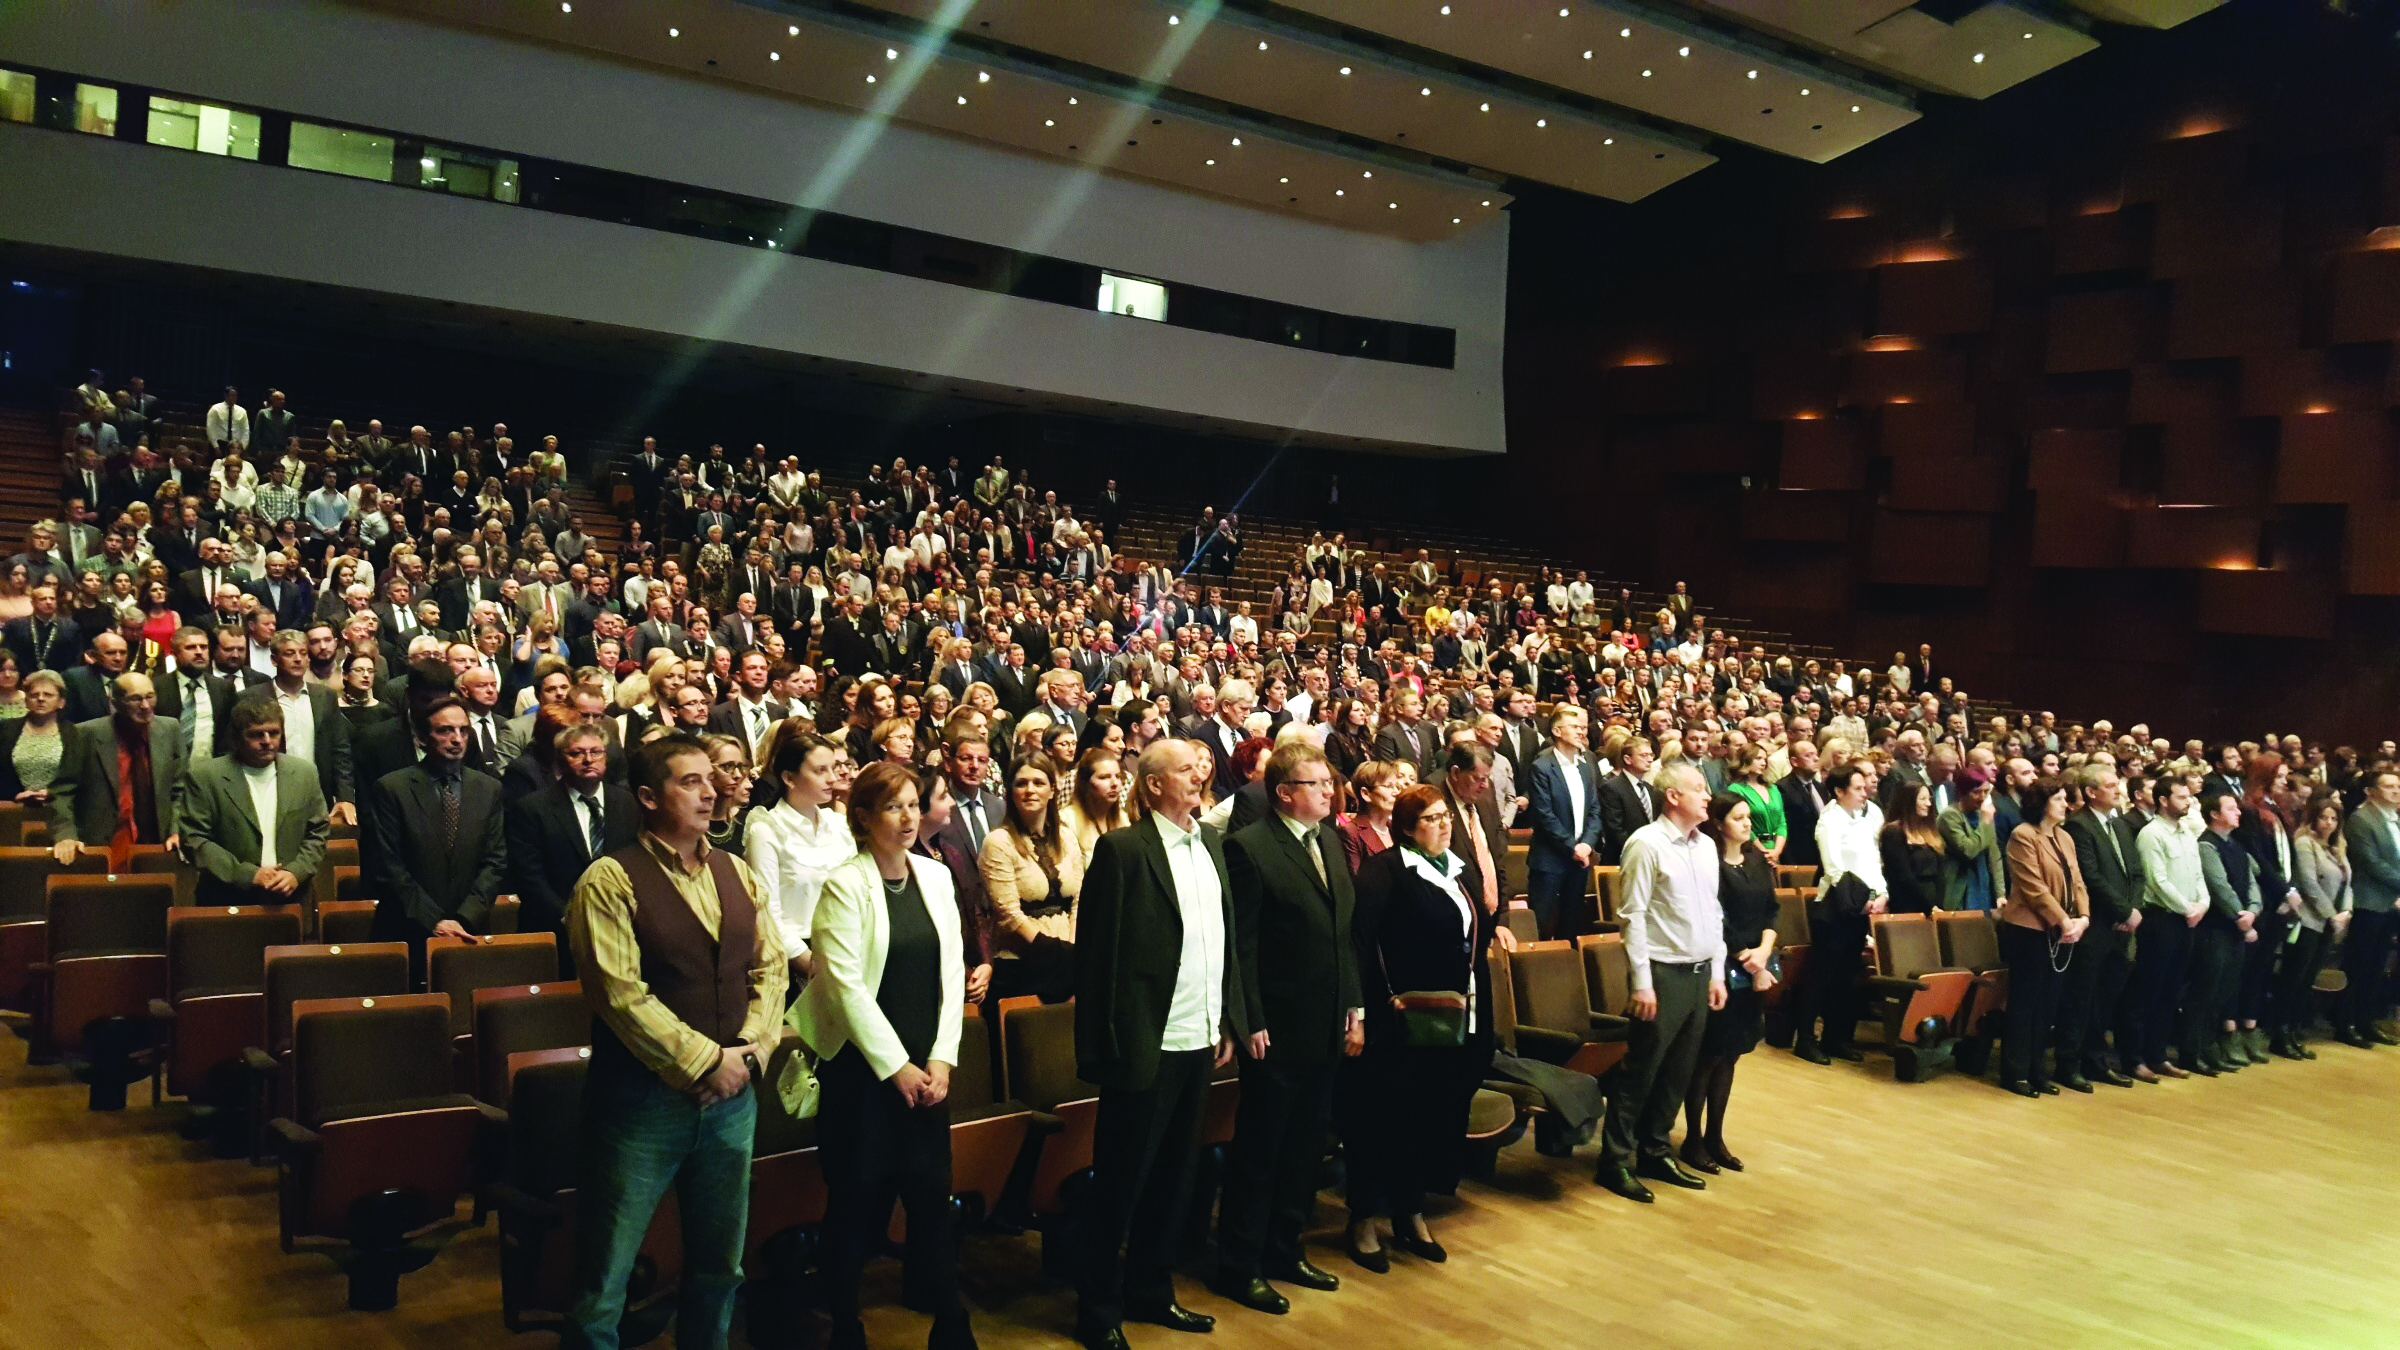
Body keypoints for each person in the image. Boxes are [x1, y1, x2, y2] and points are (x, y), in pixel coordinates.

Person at [562, 733, 788, 1350]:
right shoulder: (608, 880)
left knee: (720, 1269)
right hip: (642, 1104)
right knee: (606, 1280)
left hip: (732, 1100)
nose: (710, 790)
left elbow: (771, 969)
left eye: (710, 779)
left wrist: (749, 1049)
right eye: (690, 781)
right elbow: (619, 996)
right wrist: (706, 1060)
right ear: (647, 797)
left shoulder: (734, 869)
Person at [1073, 737, 1250, 1350]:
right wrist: (1106, 1045)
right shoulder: (1122, 851)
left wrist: (1228, 1016)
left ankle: (1150, 1289)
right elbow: (1097, 959)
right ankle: (1096, 1309)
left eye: (1201, 767)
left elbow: (1222, 940)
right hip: (1143, 1043)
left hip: (1199, 1037)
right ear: (1151, 785)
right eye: (1185, 769)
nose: (1200, 774)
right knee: (1122, 1181)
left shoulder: (1211, 845)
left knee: (1175, 1177)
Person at [790, 762, 974, 1350]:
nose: (908, 817)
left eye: (914, 805)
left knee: (930, 1203)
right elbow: (844, 987)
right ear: (863, 818)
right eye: (893, 807)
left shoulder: (936, 876)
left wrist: (942, 1058)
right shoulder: (845, 883)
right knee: (855, 1204)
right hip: (862, 1072)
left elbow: (952, 972)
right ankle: (845, 1325)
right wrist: (897, 1068)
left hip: (927, 1067)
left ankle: (951, 1325)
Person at [1213, 742, 1359, 1314]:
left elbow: (1340, 933)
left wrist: (1354, 1008)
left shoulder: (1329, 839)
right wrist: (1247, 1019)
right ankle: (1240, 1264)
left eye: (1329, 781)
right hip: (1274, 1027)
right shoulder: (1248, 849)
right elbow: (1241, 946)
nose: (1329, 791)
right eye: (1316, 783)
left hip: (1325, 1021)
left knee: (1304, 1148)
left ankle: (1284, 1248)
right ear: (1284, 793)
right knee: (1262, 1151)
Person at [1347, 783, 1490, 1261]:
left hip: (1452, 1020)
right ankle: (1364, 1219)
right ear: (1407, 827)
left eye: (1446, 815)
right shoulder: (1385, 870)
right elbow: (1362, 945)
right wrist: (1363, 1014)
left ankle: (1411, 1211)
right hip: (1399, 1025)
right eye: (1431, 818)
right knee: (1385, 1118)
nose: (1444, 824)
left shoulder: (1457, 871)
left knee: (1430, 1117)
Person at [1593, 762, 1724, 1203]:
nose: (1709, 797)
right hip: (1663, 974)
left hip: (1699, 969)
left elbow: (1714, 913)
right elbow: (1632, 917)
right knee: (1642, 1070)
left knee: (1679, 1071)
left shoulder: (1707, 845)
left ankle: (1655, 1150)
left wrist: (1717, 971)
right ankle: (1614, 1161)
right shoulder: (1645, 844)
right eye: (1700, 790)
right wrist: (1642, 982)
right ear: (1673, 796)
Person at [365, 695, 509, 984]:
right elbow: (388, 866)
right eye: (444, 731)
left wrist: (463, 919)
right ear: (420, 737)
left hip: (469, 929)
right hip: (407, 930)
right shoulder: (392, 788)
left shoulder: (488, 788)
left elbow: (495, 862)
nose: (456, 739)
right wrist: (435, 921)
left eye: (462, 730)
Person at [1682, 789, 1776, 1176]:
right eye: (1738, 818)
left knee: (1732, 1056)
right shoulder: (1710, 863)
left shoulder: (1756, 859)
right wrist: (1746, 957)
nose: (1747, 824)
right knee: (1708, 1057)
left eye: (1748, 818)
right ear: (1719, 824)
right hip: (1723, 967)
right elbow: (1716, 918)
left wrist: (1765, 952)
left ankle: (1715, 1136)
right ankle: (1692, 1138)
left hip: (1756, 963)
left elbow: (1773, 908)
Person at [505, 722, 639, 967]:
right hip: (554, 930)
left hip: (619, 930)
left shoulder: (628, 804)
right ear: (559, 760)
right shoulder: (532, 808)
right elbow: (529, 877)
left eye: (596, 752)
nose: (588, 759)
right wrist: (574, 917)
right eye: (576, 753)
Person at [179, 697, 332, 907]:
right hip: (226, 899)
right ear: (237, 737)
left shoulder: (304, 773)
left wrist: (296, 872)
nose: (267, 741)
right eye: (256, 734)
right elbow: (194, 839)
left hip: (291, 898)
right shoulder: (205, 777)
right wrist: (247, 874)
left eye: (274, 733)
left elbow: (318, 831)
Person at [1996, 776, 2089, 1096]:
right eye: (2060, 799)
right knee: (2026, 1002)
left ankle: (2037, 1070)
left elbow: (2077, 881)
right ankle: (2015, 1072)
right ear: (2042, 803)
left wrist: (2083, 918)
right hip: (2029, 929)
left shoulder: (2064, 837)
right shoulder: (2023, 835)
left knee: (2048, 1003)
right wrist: (2065, 921)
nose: (2066, 804)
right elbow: (2034, 888)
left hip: (2061, 928)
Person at [1792, 762, 1884, 1064]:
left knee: (1847, 976)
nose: (1864, 792)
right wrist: (1860, 897)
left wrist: (1881, 893)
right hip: (1835, 907)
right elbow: (1833, 868)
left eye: (1864, 787)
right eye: (1857, 788)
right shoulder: (1829, 821)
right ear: (1839, 791)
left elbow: (1873, 861)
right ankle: (1805, 1039)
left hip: (1862, 907)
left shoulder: (1863, 818)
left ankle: (1836, 1037)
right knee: (1822, 975)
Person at [742, 730, 852, 981]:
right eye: (820, 771)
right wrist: (811, 965)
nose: (832, 778)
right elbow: (768, 914)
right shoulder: (767, 830)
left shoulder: (837, 825)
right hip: (797, 959)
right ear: (789, 778)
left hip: (848, 946)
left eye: (833, 768)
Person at [2060, 765, 2142, 1088]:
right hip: (2096, 925)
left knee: (2105, 998)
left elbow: (2135, 871)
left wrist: (2132, 909)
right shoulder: (2079, 827)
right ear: (2091, 792)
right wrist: (2123, 910)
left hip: (2121, 925)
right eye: (2110, 786)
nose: (2117, 790)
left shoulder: (2120, 825)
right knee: (2082, 997)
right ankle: (2068, 1064)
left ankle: (2095, 1060)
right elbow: (2090, 877)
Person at [50, 672, 184, 870]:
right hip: (101, 845)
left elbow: (181, 788)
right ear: (115, 702)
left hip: (158, 846)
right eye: (135, 699)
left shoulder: (170, 729)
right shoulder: (86, 734)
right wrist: (66, 835)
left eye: (150, 696)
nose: (145, 706)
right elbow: (61, 791)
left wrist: (177, 830)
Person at [980, 754, 1081, 1003]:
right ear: (1010, 791)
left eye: (1038, 782)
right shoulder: (998, 842)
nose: (1030, 790)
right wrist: (1056, 953)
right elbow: (1008, 914)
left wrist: (1072, 948)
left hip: (1069, 958)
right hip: (1020, 964)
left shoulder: (1067, 837)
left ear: (1052, 790)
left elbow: (1079, 899)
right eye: (1021, 783)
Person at [2132, 780, 2205, 1081]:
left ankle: (2157, 1054)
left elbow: (2198, 874)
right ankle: (2134, 1058)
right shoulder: (2151, 834)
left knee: (2170, 991)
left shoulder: (2187, 832)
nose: (2188, 801)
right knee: (2148, 990)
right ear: (2164, 800)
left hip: (2187, 920)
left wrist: (2202, 903)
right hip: (2160, 920)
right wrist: (2188, 907)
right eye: (2182, 797)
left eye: (2189, 796)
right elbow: (2157, 881)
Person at [2190, 790, 2261, 1075]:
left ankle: (2212, 1046)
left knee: (2225, 990)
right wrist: (2238, 915)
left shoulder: (2236, 844)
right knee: (2206, 990)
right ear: (2214, 815)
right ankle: (2195, 1048)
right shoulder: (2207, 845)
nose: (2238, 812)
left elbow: (2252, 879)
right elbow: (2219, 885)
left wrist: (2253, 911)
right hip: (2216, 928)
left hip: (2237, 927)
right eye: (2231, 808)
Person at [1523, 704, 1603, 940]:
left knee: (1572, 922)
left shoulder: (1586, 764)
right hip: (1550, 859)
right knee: (1540, 922)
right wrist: (1573, 847)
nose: (1582, 732)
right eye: (1574, 727)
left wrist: (1587, 844)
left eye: (1583, 727)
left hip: (1580, 858)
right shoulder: (1542, 766)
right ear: (1557, 732)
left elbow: (1595, 810)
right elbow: (1545, 815)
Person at [2336, 768, 2400, 1048]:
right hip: (2367, 902)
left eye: (2398, 786)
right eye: (2388, 787)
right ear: (2370, 792)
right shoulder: (2362, 819)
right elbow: (2371, 863)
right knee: (2359, 965)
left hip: (2388, 903)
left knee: (2376, 966)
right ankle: (2345, 1023)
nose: (2396, 791)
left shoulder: (2394, 819)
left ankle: (2365, 1020)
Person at [2282, 797, 2350, 1059]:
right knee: (2294, 979)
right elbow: (2309, 883)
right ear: (2312, 818)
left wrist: (2347, 910)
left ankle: (2295, 1031)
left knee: (2308, 980)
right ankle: (2282, 1032)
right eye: (2323, 817)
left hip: (2330, 922)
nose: (2329, 823)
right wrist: (2332, 915)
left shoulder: (2338, 847)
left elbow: (2348, 882)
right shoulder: (2304, 843)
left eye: (2333, 819)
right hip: (2309, 920)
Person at [1936, 765, 2004, 912]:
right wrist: (1985, 823)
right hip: (1960, 889)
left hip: (1983, 885)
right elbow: (1968, 850)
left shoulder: (1983, 815)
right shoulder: (1949, 816)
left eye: (1986, 792)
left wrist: (2000, 893)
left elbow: (1994, 855)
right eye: (1976, 792)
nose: (1982, 798)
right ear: (1963, 792)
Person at [0, 670, 68, 808]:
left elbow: (79, 777)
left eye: (48, 695)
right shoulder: (5, 729)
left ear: (61, 702)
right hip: (12, 809)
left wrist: (53, 792)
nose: (41, 699)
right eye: (34, 695)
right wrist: (14, 794)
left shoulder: (75, 733)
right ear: (26, 701)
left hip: (60, 810)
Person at [1879, 783, 1946, 914]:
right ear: (1908, 801)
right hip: (1908, 905)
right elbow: (1903, 876)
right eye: (1923, 799)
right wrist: (1928, 907)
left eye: (1930, 799)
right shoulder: (1893, 833)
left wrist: (1938, 904)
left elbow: (1940, 873)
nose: (1928, 804)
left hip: (1934, 906)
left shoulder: (1929, 832)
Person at [1337, 758, 1405, 875]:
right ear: (1366, 794)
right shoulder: (1350, 833)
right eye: (1389, 786)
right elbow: (1358, 881)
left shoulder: (1396, 828)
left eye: (1397, 787)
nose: (1396, 793)